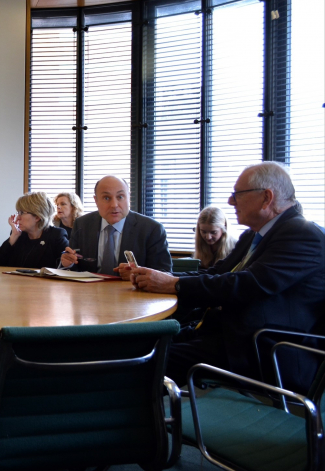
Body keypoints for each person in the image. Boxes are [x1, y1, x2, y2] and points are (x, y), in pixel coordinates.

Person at [131, 162, 325, 390]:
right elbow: (215, 274)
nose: (231, 201)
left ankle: (144, 423)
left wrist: (173, 284)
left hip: (259, 350)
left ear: (266, 197)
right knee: (136, 344)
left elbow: (250, 285)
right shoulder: (253, 235)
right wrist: (155, 277)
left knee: (141, 361)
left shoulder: (303, 234)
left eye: (238, 194)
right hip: (221, 334)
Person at [60, 175, 171, 277]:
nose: (114, 205)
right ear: (96, 201)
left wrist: (138, 274)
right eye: (107, 198)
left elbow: (164, 275)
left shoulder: (151, 229)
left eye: (120, 197)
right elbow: (75, 268)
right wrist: (68, 263)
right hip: (90, 294)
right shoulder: (82, 224)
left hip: (134, 294)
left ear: (129, 197)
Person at [0, 192, 68, 268]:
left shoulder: (56, 235)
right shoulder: (18, 235)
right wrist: (14, 236)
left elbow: (70, 266)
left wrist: (67, 264)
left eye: (22, 213)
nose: (18, 217)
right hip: (16, 280)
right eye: (18, 212)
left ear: (37, 217)